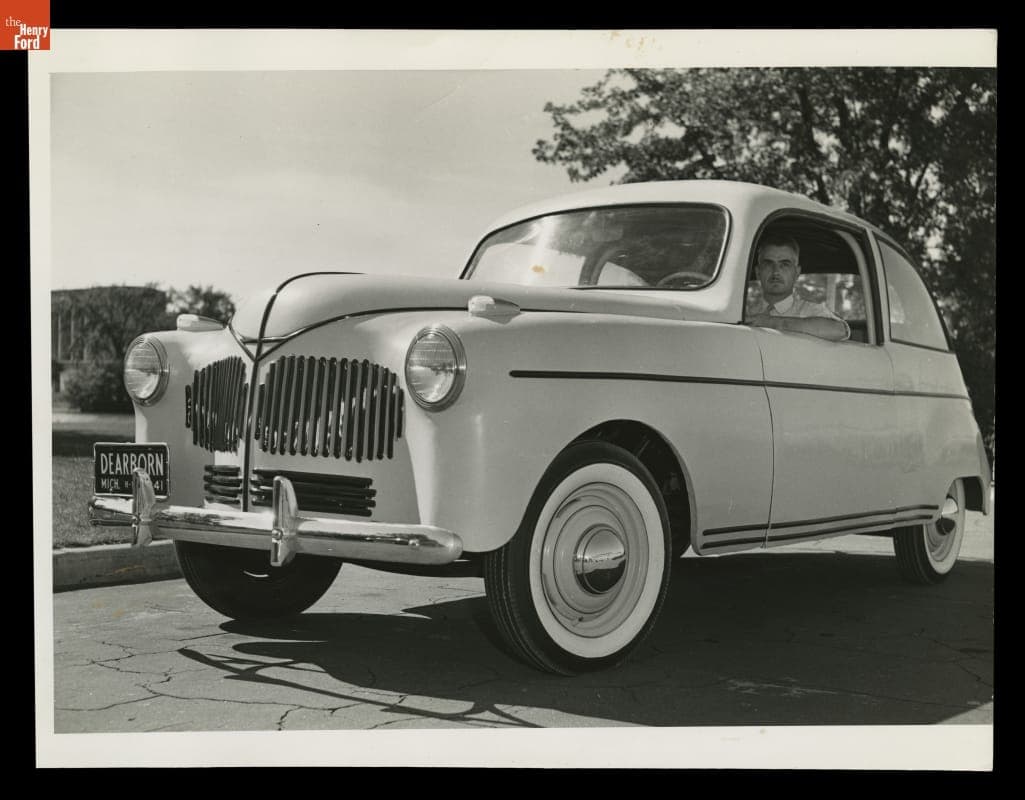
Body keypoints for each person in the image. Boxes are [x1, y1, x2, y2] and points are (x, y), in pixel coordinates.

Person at [746, 233, 850, 342]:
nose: (776, 271)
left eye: (785, 264)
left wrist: (771, 322)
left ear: (797, 272)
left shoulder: (810, 310)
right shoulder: (744, 312)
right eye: (768, 264)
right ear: (758, 272)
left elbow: (839, 330)